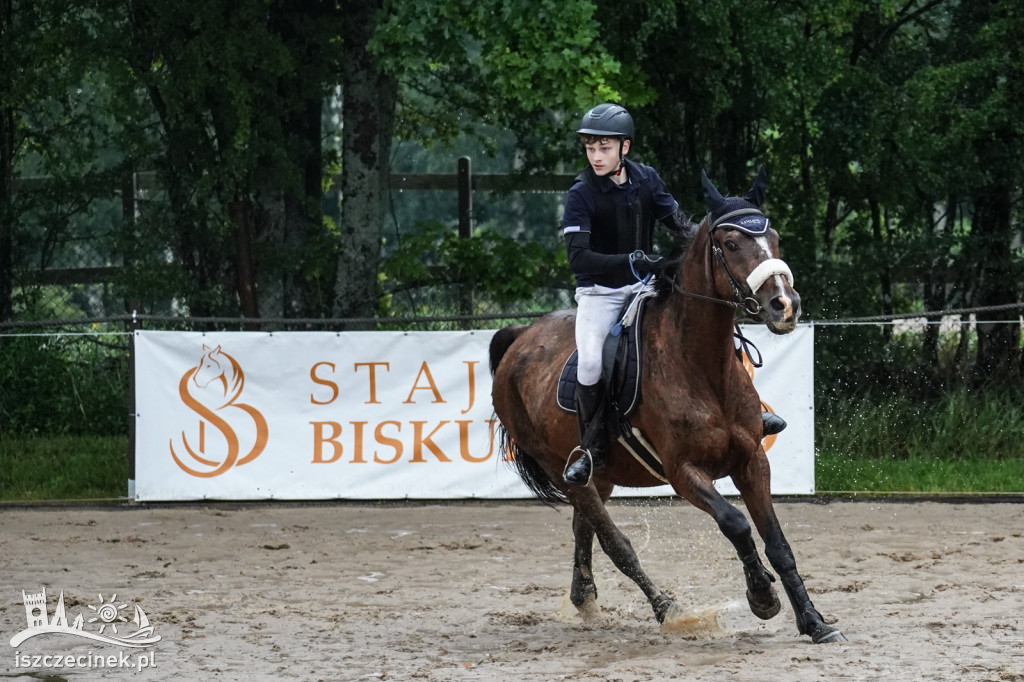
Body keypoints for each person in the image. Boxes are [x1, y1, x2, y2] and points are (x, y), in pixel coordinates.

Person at [561, 103, 696, 486]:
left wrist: (707, 238)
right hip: (599, 294)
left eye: (604, 148)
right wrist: (631, 258)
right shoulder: (581, 194)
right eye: (590, 148)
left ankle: (749, 413)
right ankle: (590, 448)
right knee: (589, 364)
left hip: (646, 288)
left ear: (625, 148)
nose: (596, 156)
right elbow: (578, 258)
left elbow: (680, 226)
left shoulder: (647, 179)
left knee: (699, 322)